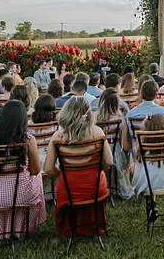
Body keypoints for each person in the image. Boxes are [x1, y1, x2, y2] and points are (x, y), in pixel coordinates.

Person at [0, 100, 46, 240]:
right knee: (37, 177)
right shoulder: (27, 140)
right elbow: (35, 171)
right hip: (19, 195)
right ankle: (21, 230)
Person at [44, 96, 113, 238]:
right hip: (94, 187)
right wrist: (96, 168)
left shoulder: (57, 136)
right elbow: (109, 162)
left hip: (68, 188)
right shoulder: (97, 133)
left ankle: (72, 227)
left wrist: (62, 174)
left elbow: (49, 169)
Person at [130, 113, 164, 197]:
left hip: (146, 185)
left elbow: (137, 170)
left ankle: (150, 201)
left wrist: (133, 166)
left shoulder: (143, 149)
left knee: (138, 168)